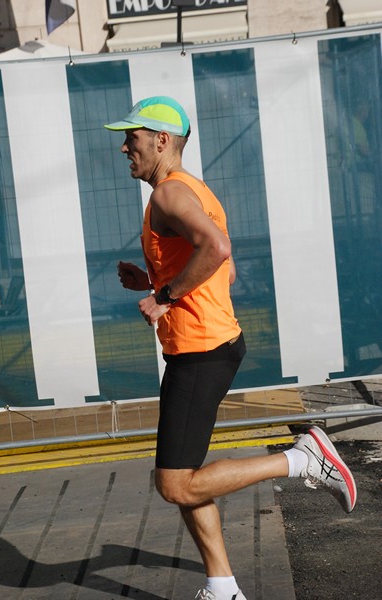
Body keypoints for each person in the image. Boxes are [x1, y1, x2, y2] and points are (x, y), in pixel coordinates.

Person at [105, 96, 357, 600]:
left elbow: (216, 250)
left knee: (175, 484)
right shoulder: (192, 191)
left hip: (200, 353)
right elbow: (225, 266)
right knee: (187, 475)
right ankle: (222, 587)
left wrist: (163, 296)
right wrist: (152, 279)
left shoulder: (168, 197)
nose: (123, 146)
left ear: (161, 140)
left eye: (132, 136)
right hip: (207, 346)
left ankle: (303, 459)